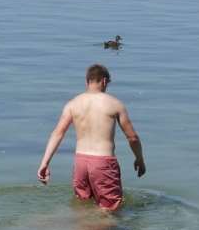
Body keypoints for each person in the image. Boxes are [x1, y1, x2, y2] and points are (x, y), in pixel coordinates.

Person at [37, 64, 146, 211]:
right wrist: (139, 159)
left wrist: (45, 163)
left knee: (83, 207)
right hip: (103, 163)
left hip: (80, 162)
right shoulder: (114, 104)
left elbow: (58, 133)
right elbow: (132, 137)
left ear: (87, 81)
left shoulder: (73, 104)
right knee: (111, 210)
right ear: (104, 81)